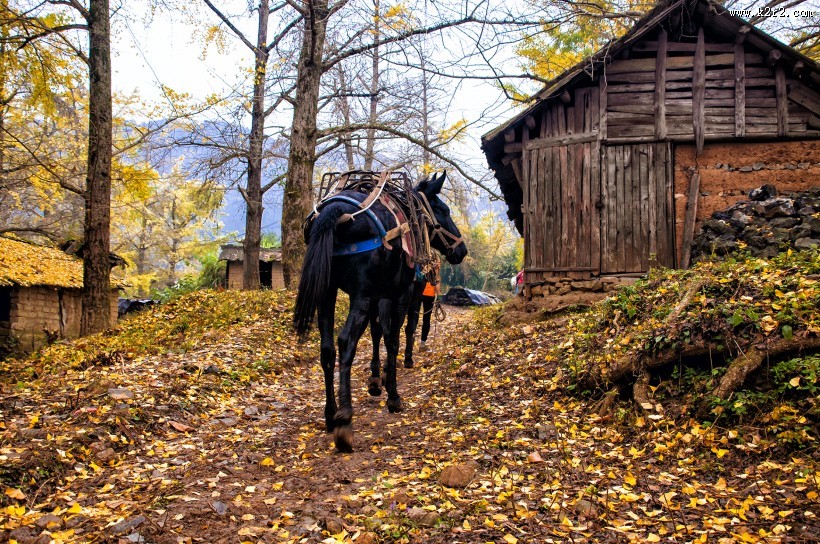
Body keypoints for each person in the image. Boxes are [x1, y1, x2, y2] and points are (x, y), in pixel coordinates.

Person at [419, 258, 440, 351]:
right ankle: (422, 344)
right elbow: (437, 287)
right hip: (426, 295)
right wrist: (439, 296)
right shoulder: (434, 270)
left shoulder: (422, 266)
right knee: (426, 320)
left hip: (420, 294)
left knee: (417, 318)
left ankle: (417, 341)